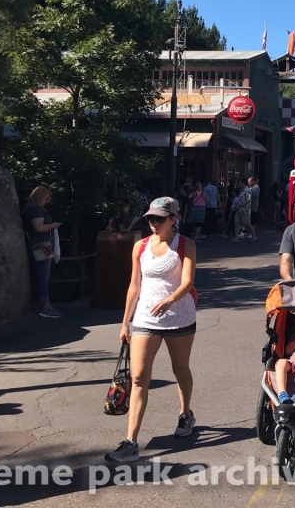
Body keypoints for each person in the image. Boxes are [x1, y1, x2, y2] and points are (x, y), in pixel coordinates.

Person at [108, 197, 198, 463]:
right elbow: (134, 285)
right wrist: (125, 322)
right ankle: (131, 442)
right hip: (145, 318)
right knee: (137, 377)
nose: (153, 223)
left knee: (180, 368)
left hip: (179, 317)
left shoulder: (185, 245)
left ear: (173, 219)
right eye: (150, 218)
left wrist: (169, 301)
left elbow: (187, 282)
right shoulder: (141, 246)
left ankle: (186, 412)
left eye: (159, 218)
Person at [21, 186, 63, 319]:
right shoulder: (35, 209)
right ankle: (45, 307)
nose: (46, 200)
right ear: (40, 195)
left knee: (43, 275)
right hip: (40, 248)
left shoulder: (32, 208)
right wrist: (53, 225)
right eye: (46, 197)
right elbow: (39, 227)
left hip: (40, 247)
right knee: (43, 276)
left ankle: (45, 304)